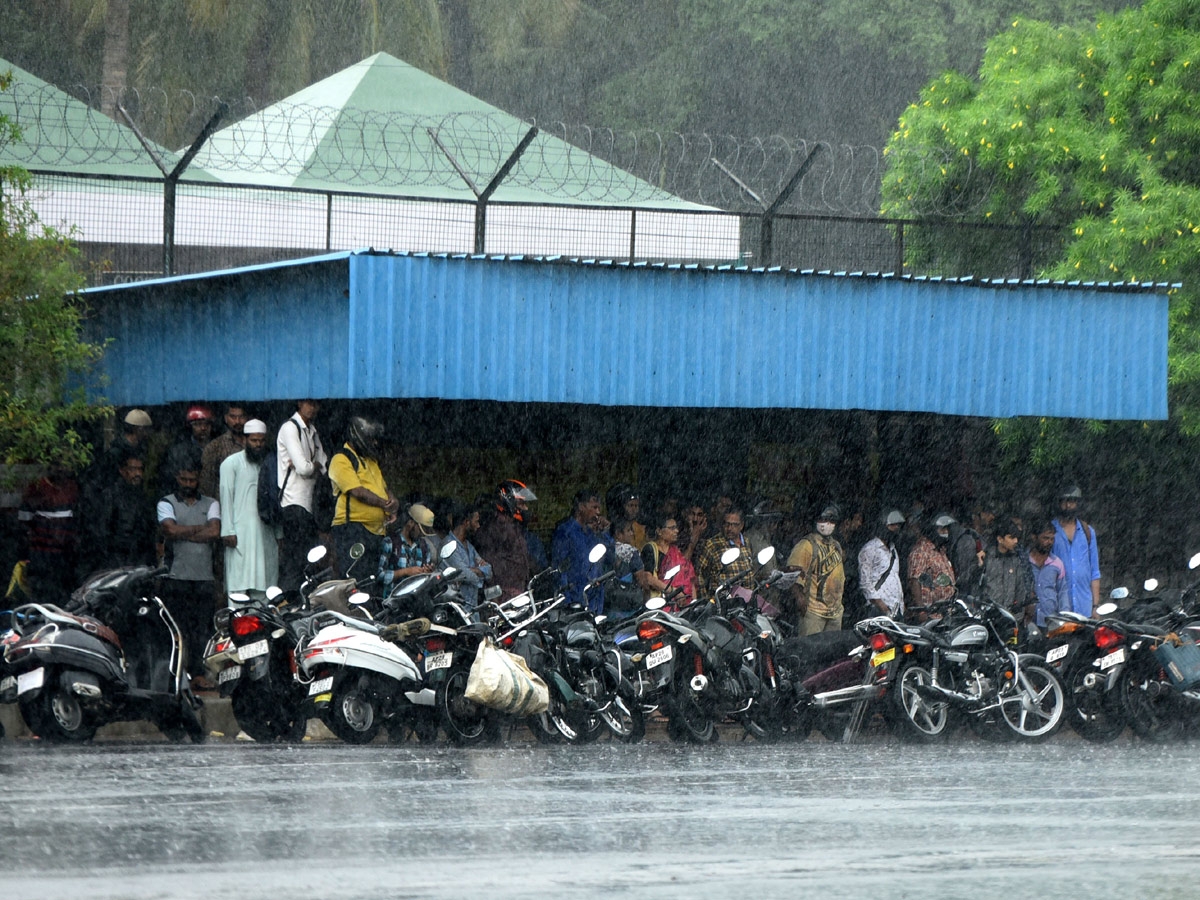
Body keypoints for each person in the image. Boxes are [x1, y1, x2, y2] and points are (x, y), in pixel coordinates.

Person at [157, 461, 220, 682]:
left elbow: (215, 532)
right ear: (177, 478)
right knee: (177, 630)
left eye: (192, 480)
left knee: (201, 630)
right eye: (184, 480)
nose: (188, 484)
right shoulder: (166, 502)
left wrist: (183, 532)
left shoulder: (211, 503)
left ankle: (199, 675)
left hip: (203, 577)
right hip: (175, 577)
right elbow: (169, 529)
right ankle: (177, 674)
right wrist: (199, 529)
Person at [328, 416, 398, 576]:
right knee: (356, 579)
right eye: (371, 439)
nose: (375, 443)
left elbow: (384, 488)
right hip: (353, 529)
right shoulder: (341, 459)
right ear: (357, 437)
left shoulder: (371, 461)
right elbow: (358, 492)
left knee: (371, 581)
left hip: (375, 532)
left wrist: (393, 503)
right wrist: (384, 504)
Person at [218, 419, 280, 599]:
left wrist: (279, 533)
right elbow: (226, 497)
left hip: (266, 533)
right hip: (239, 534)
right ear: (245, 440)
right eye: (254, 440)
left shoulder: (270, 465)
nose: (258, 445)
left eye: (261, 440)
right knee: (238, 586)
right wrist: (227, 530)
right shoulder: (230, 464)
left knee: (264, 587)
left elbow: (275, 501)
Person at [276, 399, 328, 599]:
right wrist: (311, 465)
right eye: (309, 403)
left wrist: (312, 465)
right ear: (299, 403)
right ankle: (291, 601)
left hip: (308, 506)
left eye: (316, 403)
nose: (313, 407)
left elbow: (324, 464)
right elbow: (304, 468)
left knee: (307, 558)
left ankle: (302, 600)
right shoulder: (290, 428)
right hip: (293, 503)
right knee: (295, 559)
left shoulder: (311, 431)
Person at [18, 465, 80, 598]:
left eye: (64, 464)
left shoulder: (72, 488)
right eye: (56, 464)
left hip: (64, 553)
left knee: (62, 591)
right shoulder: (36, 487)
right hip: (41, 553)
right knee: (42, 592)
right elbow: (24, 520)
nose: (60, 468)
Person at [786, 503, 846, 635]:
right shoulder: (806, 545)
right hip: (813, 612)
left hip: (835, 612)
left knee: (832, 653)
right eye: (823, 519)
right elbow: (793, 574)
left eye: (831, 520)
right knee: (811, 651)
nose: (827, 524)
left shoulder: (836, 545)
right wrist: (799, 597)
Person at [94, 451, 157, 571]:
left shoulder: (143, 497)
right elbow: (103, 531)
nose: (137, 473)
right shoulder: (110, 495)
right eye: (133, 469)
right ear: (122, 471)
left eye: (140, 469)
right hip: (117, 559)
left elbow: (149, 532)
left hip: (139, 559)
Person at [475, 479, 536, 601]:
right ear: (509, 502)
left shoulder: (512, 526)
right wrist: (495, 598)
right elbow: (490, 564)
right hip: (504, 596)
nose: (526, 508)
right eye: (521, 504)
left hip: (517, 592)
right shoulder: (496, 528)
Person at [552, 489, 611, 612]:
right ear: (581, 507)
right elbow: (560, 569)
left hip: (594, 599)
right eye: (594, 507)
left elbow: (609, 555)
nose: (598, 512)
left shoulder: (591, 533)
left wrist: (605, 532)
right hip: (575, 599)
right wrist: (566, 601)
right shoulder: (566, 532)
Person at [1052, 484, 1100, 616]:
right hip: (1059, 606)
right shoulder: (1051, 532)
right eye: (1064, 501)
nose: (1068, 506)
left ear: (1078, 503)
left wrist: (1095, 606)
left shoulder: (1088, 532)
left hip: (1084, 606)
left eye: (1072, 501)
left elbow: (1094, 572)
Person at [441, 502, 492, 611]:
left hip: (473, 608)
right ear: (466, 522)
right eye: (476, 522)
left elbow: (489, 570)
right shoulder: (449, 545)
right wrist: (478, 572)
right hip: (457, 610)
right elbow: (464, 574)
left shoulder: (470, 547)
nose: (478, 526)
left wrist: (472, 571)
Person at [695, 506, 753, 601]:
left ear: (741, 525)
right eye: (727, 524)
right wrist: (706, 600)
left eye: (734, 525)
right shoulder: (713, 545)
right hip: (723, 602)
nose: (729, 528)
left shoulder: (746, 542)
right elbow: (699, 573)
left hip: (746, 601)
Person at [641, 511, 697, 605]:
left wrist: (692, 602)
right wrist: (673, 591)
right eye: (672, 528)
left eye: (676, 527)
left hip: (681, 605)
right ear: (659, 531)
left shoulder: (675, 551)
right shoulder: (650, 549)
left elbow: (688, 576)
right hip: (660, 604)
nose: (676, 531)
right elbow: (648, 579)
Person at [980, 516, 1029, 621]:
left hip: (1010, 618)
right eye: (1011, 537)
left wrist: (1017, 617)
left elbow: (1020, 589)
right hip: (988, 618)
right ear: (1000, 539)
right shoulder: (987, 558)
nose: (1015, 541)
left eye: (1016, 537)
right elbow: (979, 589)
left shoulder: (1015, 559)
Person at [907, 513, 957, 615]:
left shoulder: (940, 550)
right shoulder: (921, 551)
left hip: (946, 611)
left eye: (947, 529)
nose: (945, 533)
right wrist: (921, 611)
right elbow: (914, 581)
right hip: (931, 612)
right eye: (942, 530)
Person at [858, 509, 905, 618]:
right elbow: (865, 583)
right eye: (892, 525)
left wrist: (901, 605)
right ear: (883, 526)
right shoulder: (870, 549)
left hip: (896, 608)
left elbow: (894, 578)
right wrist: (882, 607)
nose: (896, 528)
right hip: (879, 610)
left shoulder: (893, 550)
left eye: (898, 525)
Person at [378, 503, 437, 589]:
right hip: (392, 599)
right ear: (410, 523)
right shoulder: (390, 543)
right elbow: (379, 576)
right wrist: (405, 572)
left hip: (415, 599)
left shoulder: (424, 546)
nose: (422, 535)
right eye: (420, 530)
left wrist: (427, 572)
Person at [161, 404, 215, 493]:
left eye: (207, 424)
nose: (203, 428)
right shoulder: (178, 451)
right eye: (198, 424)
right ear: (190, 426)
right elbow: (170, 478)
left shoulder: (218, 447)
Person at [1028, 518, 1070, 627]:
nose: (1049, 542)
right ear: (1034, 537)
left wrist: (1065, 618)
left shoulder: (1057, 563)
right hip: (1027, 622)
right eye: (1045, 538)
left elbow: (1063, 592)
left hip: (1050, 622)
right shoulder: (1024, 561)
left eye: (1052, 539)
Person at [200, 404, 249, 500]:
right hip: (223, 505)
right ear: (226, 418)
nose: (237, 421)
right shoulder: (215, 447)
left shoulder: (255, 444)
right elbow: (207, 483)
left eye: (241, 417)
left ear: (247, 418)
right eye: (233, 417)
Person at [607, 518, 649, 618]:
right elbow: (642, 581)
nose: (632, 533)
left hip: (610, 607)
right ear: (618, 534)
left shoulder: (606, 550)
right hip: (629, 608)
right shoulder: (631, 552)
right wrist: (646, 599)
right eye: (629, 530)